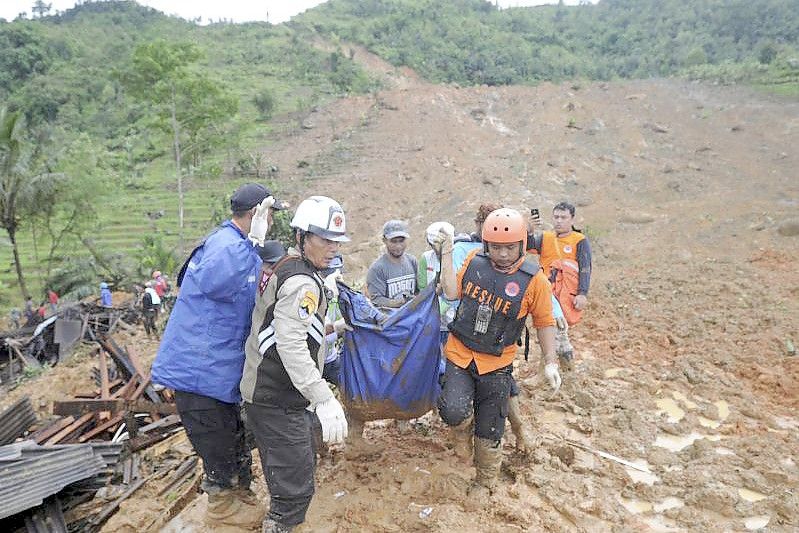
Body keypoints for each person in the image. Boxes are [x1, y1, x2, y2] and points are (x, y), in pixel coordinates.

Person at [151, 182, 282, 531]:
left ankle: (239, 496)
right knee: (217, 443)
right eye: (268, 214)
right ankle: (222, 510)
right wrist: (252, 243)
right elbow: (216, 283)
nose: (270, 222)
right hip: (200, 370)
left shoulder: (240, 248)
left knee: (232, 434)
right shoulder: (227, 245)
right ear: (256, 215)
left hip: (218, 370)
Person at [434, 207, 562, 499]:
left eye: (509, 248)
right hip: (460, 353)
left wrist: (551, 362)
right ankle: (460, 433)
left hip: (497, 363)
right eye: (495, 247)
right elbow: (452, 293)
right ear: (485, 244)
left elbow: (543, 322)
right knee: (453, 410)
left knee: (491, 428)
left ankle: (485, 481)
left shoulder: (535, 281)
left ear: (522, 245)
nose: (502, 254)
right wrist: (445, 252)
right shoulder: (473, 262)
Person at [240, 195, 349, 533]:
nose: (332, 248)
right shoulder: (303, 283)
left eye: (336, 241)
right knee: (294, 490)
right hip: (277, 398)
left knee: (292, 471)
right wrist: (324, 397)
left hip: (272, 393)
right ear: (302, 237)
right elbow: (290, 344)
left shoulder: (290, 265)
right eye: (324, 240)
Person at [527, 201, 592, 368]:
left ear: (572, 219)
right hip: (546, 291)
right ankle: (562, 366)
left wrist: (582, 293)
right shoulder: (546, 237)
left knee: (556, 329)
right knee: (549, 327)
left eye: (563, 217)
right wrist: (529, 229)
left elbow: (585, 267)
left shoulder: (579, 240)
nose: (559, 221)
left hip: (567, 293)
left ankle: (561, 366)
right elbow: (525, 245)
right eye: (556, 217)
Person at [366, 220, 418, 309]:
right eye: (393, 241)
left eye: (401, 241)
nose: (398, 246)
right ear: (384, 240)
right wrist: (398, 303)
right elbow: (376, 300)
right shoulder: (378, 269)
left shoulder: (412, 261)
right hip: (391, 319)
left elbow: (418, 290)